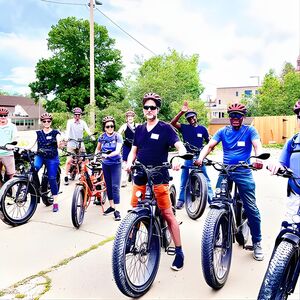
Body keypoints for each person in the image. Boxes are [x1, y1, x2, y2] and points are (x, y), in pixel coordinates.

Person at [126, 92, 187, 271]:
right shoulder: (139, 129)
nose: (149, 110)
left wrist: (180, 159)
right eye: (146, 107)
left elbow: (179, 146)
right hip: (141, 173)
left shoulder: (166, 128)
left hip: (160, 173)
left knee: (167, 214)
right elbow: (133, 151)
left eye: (153, 107)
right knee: (134, 209)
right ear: (143, 110)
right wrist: (129, 163)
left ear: (157, 109)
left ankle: (179, 252)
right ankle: (129, 241)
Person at [196, 103, 264, 261]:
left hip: (244, 171)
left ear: (243, 117)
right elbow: (209, 146)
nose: (235, 118)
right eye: (232, 115)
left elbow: (257, 146)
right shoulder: (223, 131)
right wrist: (200, 158)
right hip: (226, 171)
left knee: (251, 208)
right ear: (229, 117)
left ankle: (257, 242)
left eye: (238, 115)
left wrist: (259, 158)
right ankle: (217, 226)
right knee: (217, 200)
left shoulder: (250, 131)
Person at [170, 101, 213, 209]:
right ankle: (181, 200)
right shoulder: (184, 127)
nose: (191, 119)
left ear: (196, 117)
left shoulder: (202, 129)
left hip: (199, 155)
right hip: (187, 156)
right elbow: (172, 123)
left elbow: (210, 142)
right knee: (184, 178)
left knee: (206, 178)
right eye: (189, 118)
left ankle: (211, 200)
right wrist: (181, 112)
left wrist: (209, 149)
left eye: (193, 117)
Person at [268, 99, 300, 222]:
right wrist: (275, 165)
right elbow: (281, 163)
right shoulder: (292, 142)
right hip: (295, 196)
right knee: (288, 231)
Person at [95, 116, 123, 221]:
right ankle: (112, 206)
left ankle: (117, 210)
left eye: (112, 126)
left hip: (116, 163)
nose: (110, 128)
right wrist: (95, 158)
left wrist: (108, 155)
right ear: (104, 127)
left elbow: (117, 150)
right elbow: (97, 149)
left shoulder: (118, 136)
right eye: (108, 126)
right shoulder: (102, 137)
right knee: (109, 186)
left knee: (115, 186)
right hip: (105, 164)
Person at [32, 113, 61, 212]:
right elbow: (31, 144)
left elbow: (59, 141)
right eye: (44, 121)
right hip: (40, 156)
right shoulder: (38, 133)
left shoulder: (55, 133)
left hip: (52, 157)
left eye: (48, 121)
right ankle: (37, 188)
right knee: (33, 168)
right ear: (42, 122)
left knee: (52, 178)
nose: (46, 123)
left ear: (51, 122)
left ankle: (55, 202)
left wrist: (60, 143)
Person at [64, 107, 94, 185]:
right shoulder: (70, 122)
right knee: (69, 160)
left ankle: (84, 175)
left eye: (79, 115)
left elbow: (87, 130)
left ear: (81, 115)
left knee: (84, 159)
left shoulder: (83, 122)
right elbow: (67, 130)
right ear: (73, 115)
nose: (77, 116)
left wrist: (91, 136)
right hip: (71, 143)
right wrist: (66, 138)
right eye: (75, 115)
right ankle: (66, 176)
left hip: (80, 143)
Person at [118, 110, 137, 187]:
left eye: (131, 116)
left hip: (135, 145)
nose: (130, 118)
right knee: (125, 162)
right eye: (128, 117)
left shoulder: (138, 125)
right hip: (127, 145)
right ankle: (123, 180)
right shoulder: (124, 126)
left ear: (133, 118)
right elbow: (118, 134)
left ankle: (136, 178)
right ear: (126, 118)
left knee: (137, 161)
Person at [0, 107, 18, 182]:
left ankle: (14, 192)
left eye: (5, 115)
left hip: (7, 153)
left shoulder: (12, 126)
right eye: (1, 115)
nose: (3, 117)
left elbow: (15, 138)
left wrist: (12, 144)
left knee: (11, 174)